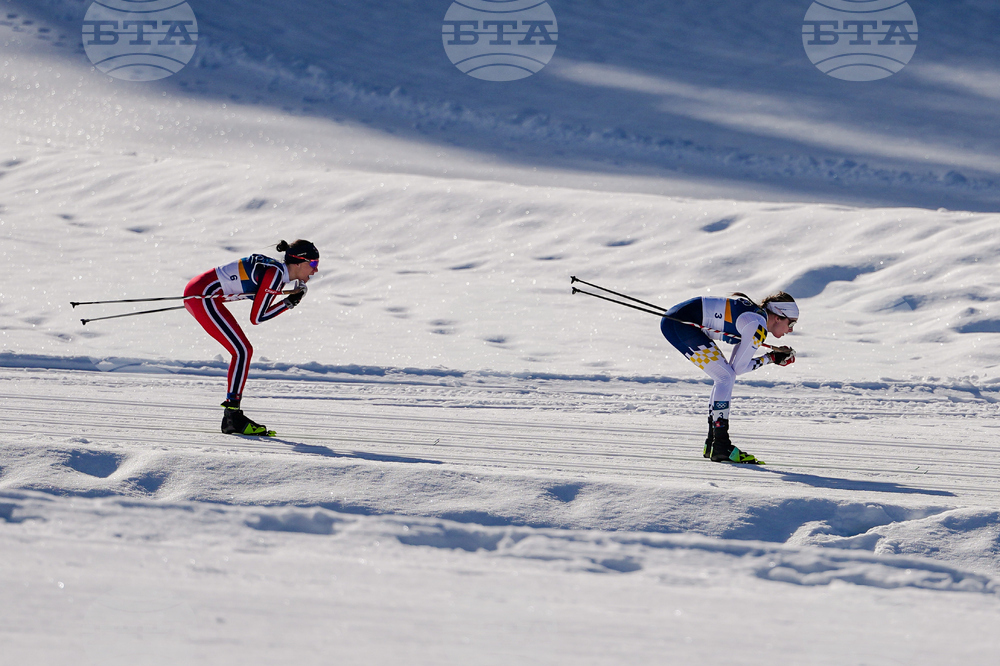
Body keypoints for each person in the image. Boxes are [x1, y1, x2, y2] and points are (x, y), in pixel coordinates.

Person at [184, 239, 319, 436]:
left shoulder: (276, 274)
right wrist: (289, 303)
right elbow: (257, 317)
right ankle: (232, 416)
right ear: (298, 263)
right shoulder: (274, 275)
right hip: (202, 295)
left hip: (202, 294)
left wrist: (288, 297)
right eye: (313, 264)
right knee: (242, 351)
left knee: (243, 350)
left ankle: (233, 414)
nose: (315, 270)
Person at [660, 291, 798, 464]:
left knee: (725, 376)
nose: (791, 330)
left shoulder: (756, 319)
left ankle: (714, 443)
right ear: (778, 317)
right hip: (680, 324)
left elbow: (735, 366)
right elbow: (739, 368)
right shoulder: (757, 325)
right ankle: (720, 445)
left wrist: (770, 358)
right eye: (791, 323)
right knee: (725, 377)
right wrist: (769, 359)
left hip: (678, 321)